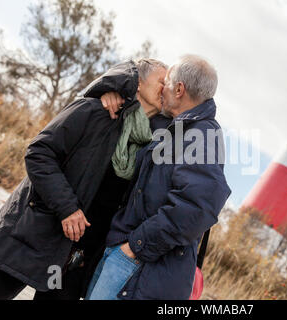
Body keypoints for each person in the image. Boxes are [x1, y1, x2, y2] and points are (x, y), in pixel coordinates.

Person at [0, 58, 170, 300]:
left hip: (77, 255)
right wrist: (67, 208)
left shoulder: (150, 141)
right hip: (39, 231)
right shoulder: (95, 111)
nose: (166, 88)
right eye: (161, 82)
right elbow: (39, 154)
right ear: (139, 83)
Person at [85, 55, 231, 300]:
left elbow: (198, 207)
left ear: (179, 88)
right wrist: (110, 92)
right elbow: (136, 90)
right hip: (125, 253)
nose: (162, 89)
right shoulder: (174, 125)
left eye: (167, 82)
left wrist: (135, 247)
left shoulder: (202, 135)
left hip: (139, 262)